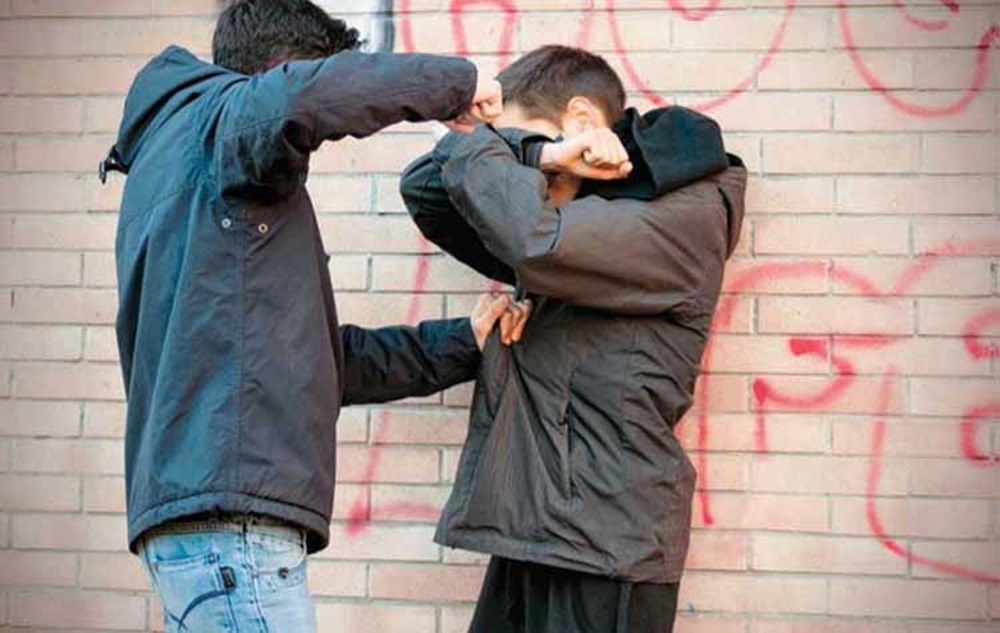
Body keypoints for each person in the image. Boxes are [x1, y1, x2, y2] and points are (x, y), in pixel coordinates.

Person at [101, 1, 528, 630]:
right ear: (279, 71)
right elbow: (297, 98)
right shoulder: (223, 124)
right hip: (234, 531)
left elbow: (319, 361)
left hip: (208, 530)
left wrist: (463, 341)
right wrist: (457, 86)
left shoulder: (196, 182)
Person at [401, 45, 747, 632]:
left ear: (582, 118)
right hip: (535, 525)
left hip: (607, 541)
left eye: (538, 167)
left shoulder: (683, 217)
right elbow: (427, 193)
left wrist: (490, 145)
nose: (530, 184)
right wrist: (538, 152)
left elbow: (532, 239)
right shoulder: (582, 207)